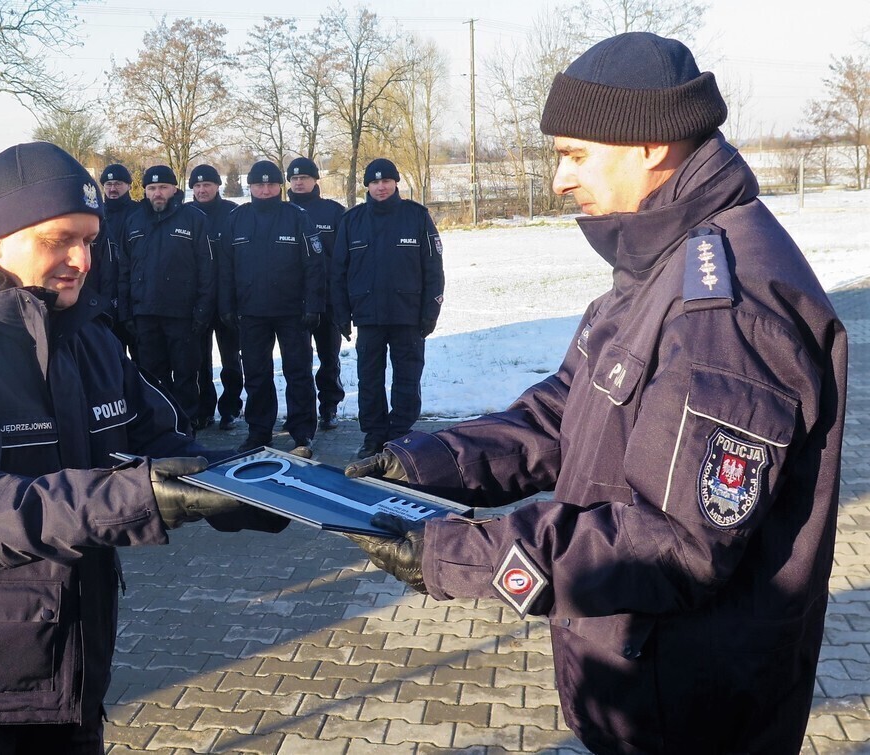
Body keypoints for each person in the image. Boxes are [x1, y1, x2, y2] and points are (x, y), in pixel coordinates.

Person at [343, 32, 846, 755]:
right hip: (642, 690)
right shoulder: (661, 262)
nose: (559, 179)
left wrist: (463, 554)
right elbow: (563, 414)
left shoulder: (724, 307)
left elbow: (672, 542)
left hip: (688, 713)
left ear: (649, 145)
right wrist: (424, 464)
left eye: (575, 153)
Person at [0, 141, 284, 755]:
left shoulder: (90, 339)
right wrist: (146, 497)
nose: (80, 260)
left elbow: (159, 442)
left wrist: (264, 484)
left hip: (73, 666)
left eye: (89, 241)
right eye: (58, 240)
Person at [331, 157, 444, 459]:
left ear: (396, 183)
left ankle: (400, 436)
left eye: (386, 181)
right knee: (369, 380)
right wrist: (341, 314)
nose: (381, 187)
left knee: (407, 378)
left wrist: (430, 311)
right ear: (367, 185)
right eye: (375, 182)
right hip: (368, 316)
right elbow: (338, 272)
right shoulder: (352, 221)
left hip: (408, 316)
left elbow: (434, 269)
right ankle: (373, 436)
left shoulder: (416, 217)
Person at [218, 160, 324, 457]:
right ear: (249, 187)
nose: (265, 190)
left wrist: (313, 305)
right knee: (256, 374)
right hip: (251, 312)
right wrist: (226, 306)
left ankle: (302, 432)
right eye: (258, 185)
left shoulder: (297, 217)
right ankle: (259, 431)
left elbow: (314, 266)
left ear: (281, 186)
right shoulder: (235, 219)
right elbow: (225, 268)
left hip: (293, 312)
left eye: (270, 184)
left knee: (298, 372)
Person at [118, 165, 215, 425]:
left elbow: (207, 269)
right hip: (145, 313)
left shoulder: (194, 219)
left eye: (163, 187)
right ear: (145, 191)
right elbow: (124, 270)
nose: (157, 193)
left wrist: (202, 310)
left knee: (185, 375)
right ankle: (160, 426)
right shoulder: (134, 221)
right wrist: (127, 312)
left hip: (182, 315)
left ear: (174, 189)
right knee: (152, 376)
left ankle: (187, 425)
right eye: (151, 188)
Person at [286, 157, 346, 430]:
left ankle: (329, 406)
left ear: (315, 180)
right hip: (292, 301)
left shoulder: (333, 212)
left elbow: (344, 257)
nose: (299, 183)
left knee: (328, 357)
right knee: (297, 361)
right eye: (294, 179)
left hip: (327, 300)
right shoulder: (281, 212)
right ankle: (300, 412)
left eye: (304, 178)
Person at [187, 163, 242, 431]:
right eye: (196, 186)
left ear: (217, 186)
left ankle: (231, 408)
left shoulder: (232, 212)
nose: (202, 189)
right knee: (199, 359)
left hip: (227, 297)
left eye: (206, 184)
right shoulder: (185, 214)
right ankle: (203, 409)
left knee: (231, 358)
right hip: (197, 298)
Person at [99, 163, 138, 349]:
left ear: (129, 185)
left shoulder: (140, 213)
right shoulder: (97, 215)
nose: (112, 188)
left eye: (118, 183)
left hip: (134, 292)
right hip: (105, 293)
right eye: (108, 184)